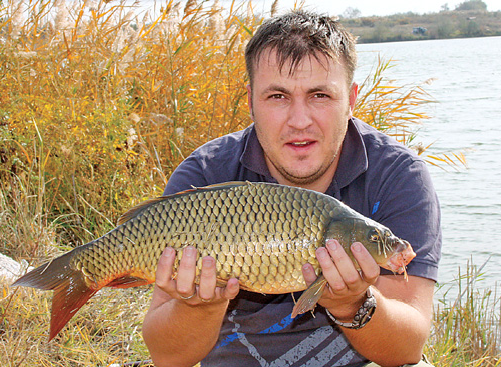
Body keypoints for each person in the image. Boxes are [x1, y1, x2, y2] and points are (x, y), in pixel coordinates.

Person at [142, 10, 441, 367]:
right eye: (278, 97)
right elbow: (166, 356)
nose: (300, 121)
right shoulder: (206, 176)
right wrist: (201, 306)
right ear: (251, 101)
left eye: (319, 95)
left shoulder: (397, 174)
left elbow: (407, 349)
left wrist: (353, 304)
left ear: (351, 99)